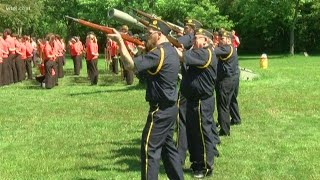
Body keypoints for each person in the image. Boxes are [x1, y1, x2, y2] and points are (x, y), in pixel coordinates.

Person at [108, 19, 184, 180]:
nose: (146, 36)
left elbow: (130, 66)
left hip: (160, 110)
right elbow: (148, 72)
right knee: (167, 149)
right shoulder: (170, 50)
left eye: (149, 33)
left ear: (159, 34)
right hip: (170, 107)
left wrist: (121, 42)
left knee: (149, 149)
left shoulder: (158, 53)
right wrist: (143, 52)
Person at [176, 28, 218, 179]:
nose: (193, 41)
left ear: (206, 40)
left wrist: (172, 49)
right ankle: (197, 164)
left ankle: (207, 167)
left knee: (203, 133)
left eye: (197, 38)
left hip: (202, 100)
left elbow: (182, 57)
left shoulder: (205, 53)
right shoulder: (197, 52)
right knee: (193, 134)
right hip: (193, 99)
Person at [214, 30, 240, 136]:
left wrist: (211, 44)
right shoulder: (231, 48)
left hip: (226, 80)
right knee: (230, 100)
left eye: (222, 39)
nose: (220, 40)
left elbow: (213, 52)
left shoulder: (226, 48)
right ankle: (235, 119)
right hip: (232, 78)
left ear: (229, 40)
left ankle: (224, 130)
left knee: (223, 105)